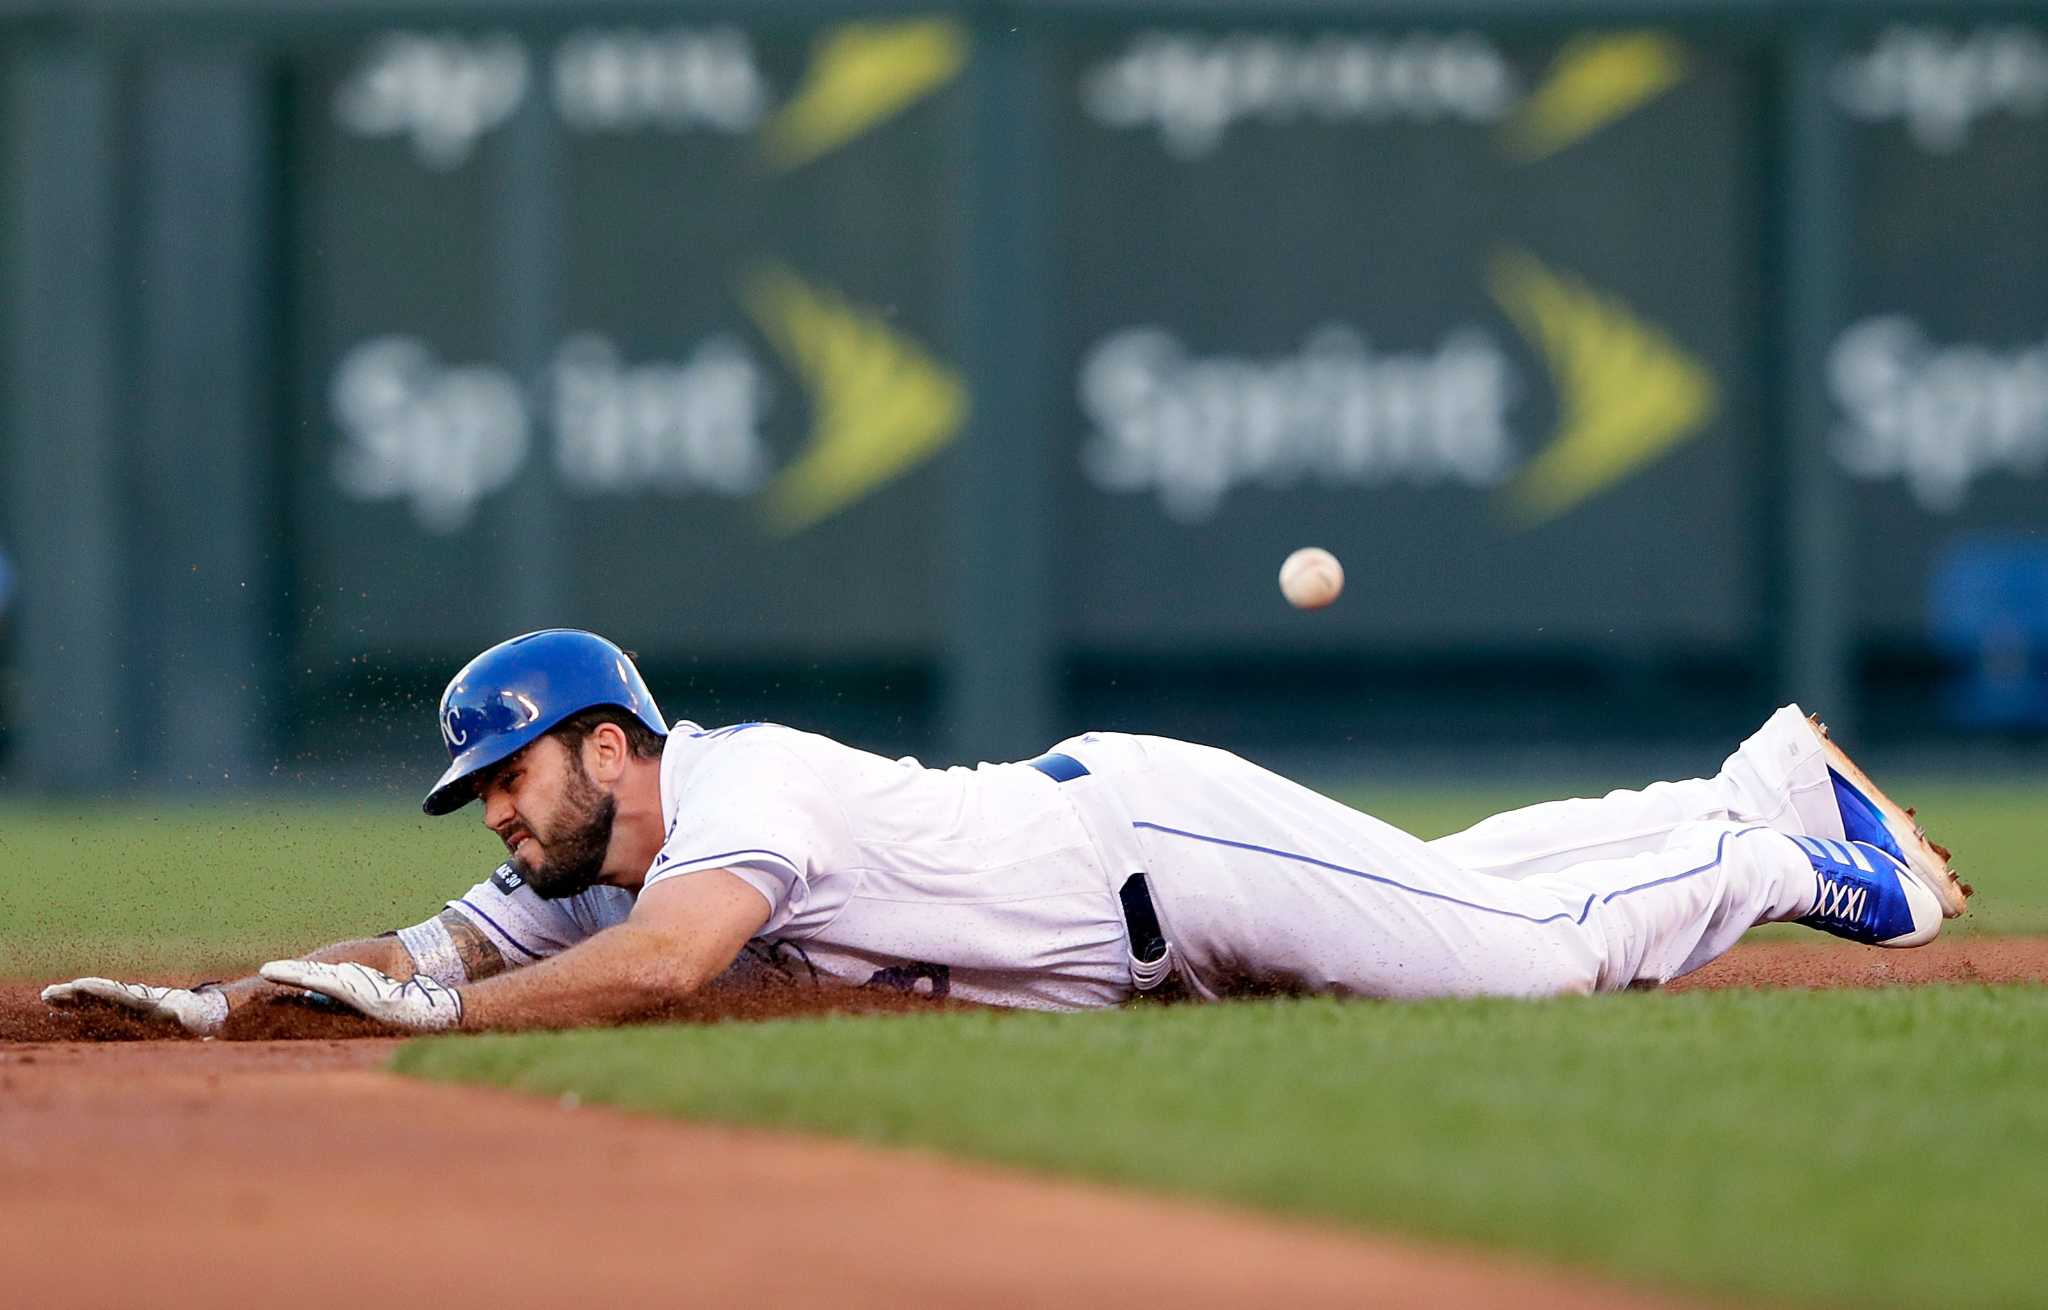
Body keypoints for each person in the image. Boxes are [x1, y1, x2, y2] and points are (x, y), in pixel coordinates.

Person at [45, 629, 1970, 1035]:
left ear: (608, 743)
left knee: (1529, 959)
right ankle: (1738, 791)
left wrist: (440, 1031)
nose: (498, 820)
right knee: (1464, 890)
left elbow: (673, 967)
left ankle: (1782, 849)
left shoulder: (738, 791)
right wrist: (242, 1012)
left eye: (512, 780)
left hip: (1163, 846)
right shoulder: (593, 860)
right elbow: (434, 945)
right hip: (1139, 902)